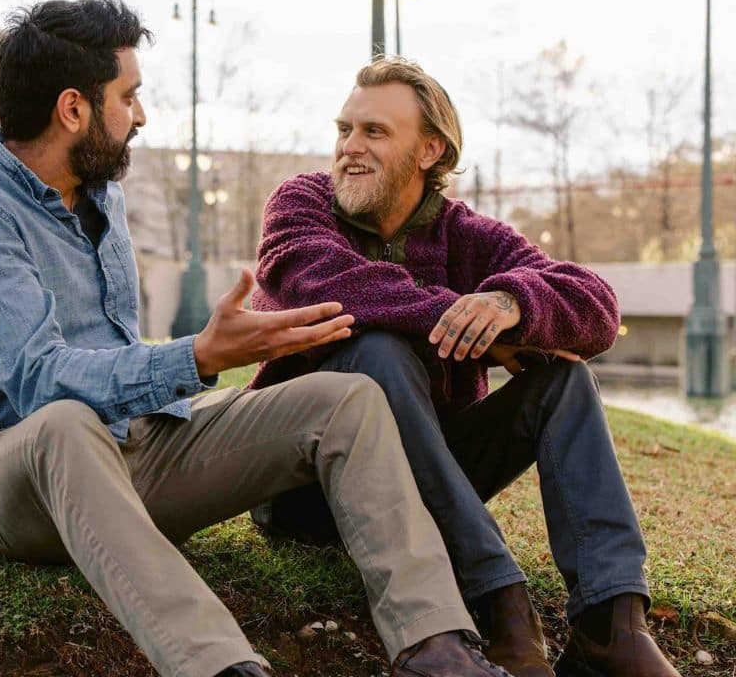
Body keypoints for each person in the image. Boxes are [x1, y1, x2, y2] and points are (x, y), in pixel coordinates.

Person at [0, 0, 516, 677]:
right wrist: (197, 356)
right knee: (63, 422)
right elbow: (40, 379)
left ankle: (435, 647)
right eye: (129, 96)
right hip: (16, 481)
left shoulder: (96, 192)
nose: (140, 115)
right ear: (73, 110)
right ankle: (220, 666)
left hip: (137, 450)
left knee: (344, 398)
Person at [249, 55, 679, 677]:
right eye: (345, 129)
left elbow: (596, 306)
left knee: (563, 380)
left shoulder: (467, 234)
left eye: (374, 132)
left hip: (430, 478)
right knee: (376, 350)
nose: (349, 147)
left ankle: (610, 625)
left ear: (428, 150)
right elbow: (328, 287)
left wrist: (509, 305)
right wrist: (464, 320)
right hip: (308, 488)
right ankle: (498, 598)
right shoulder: (302, 203)